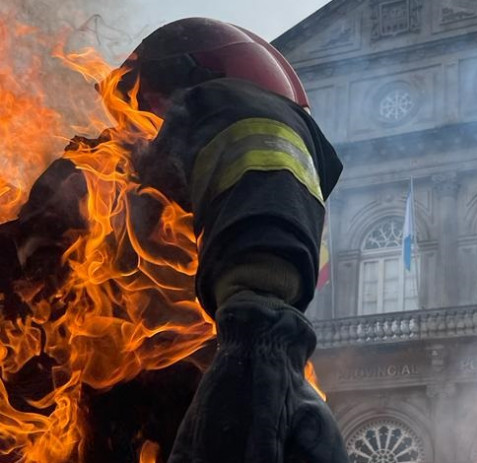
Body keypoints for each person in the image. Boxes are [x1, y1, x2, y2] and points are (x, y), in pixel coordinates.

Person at [0, 17, 348, 463]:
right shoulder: (105, 174)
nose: (137, 123)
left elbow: (254, 135)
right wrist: (263, 333)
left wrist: (259, 327)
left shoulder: (231, 115)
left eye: (144, 102)